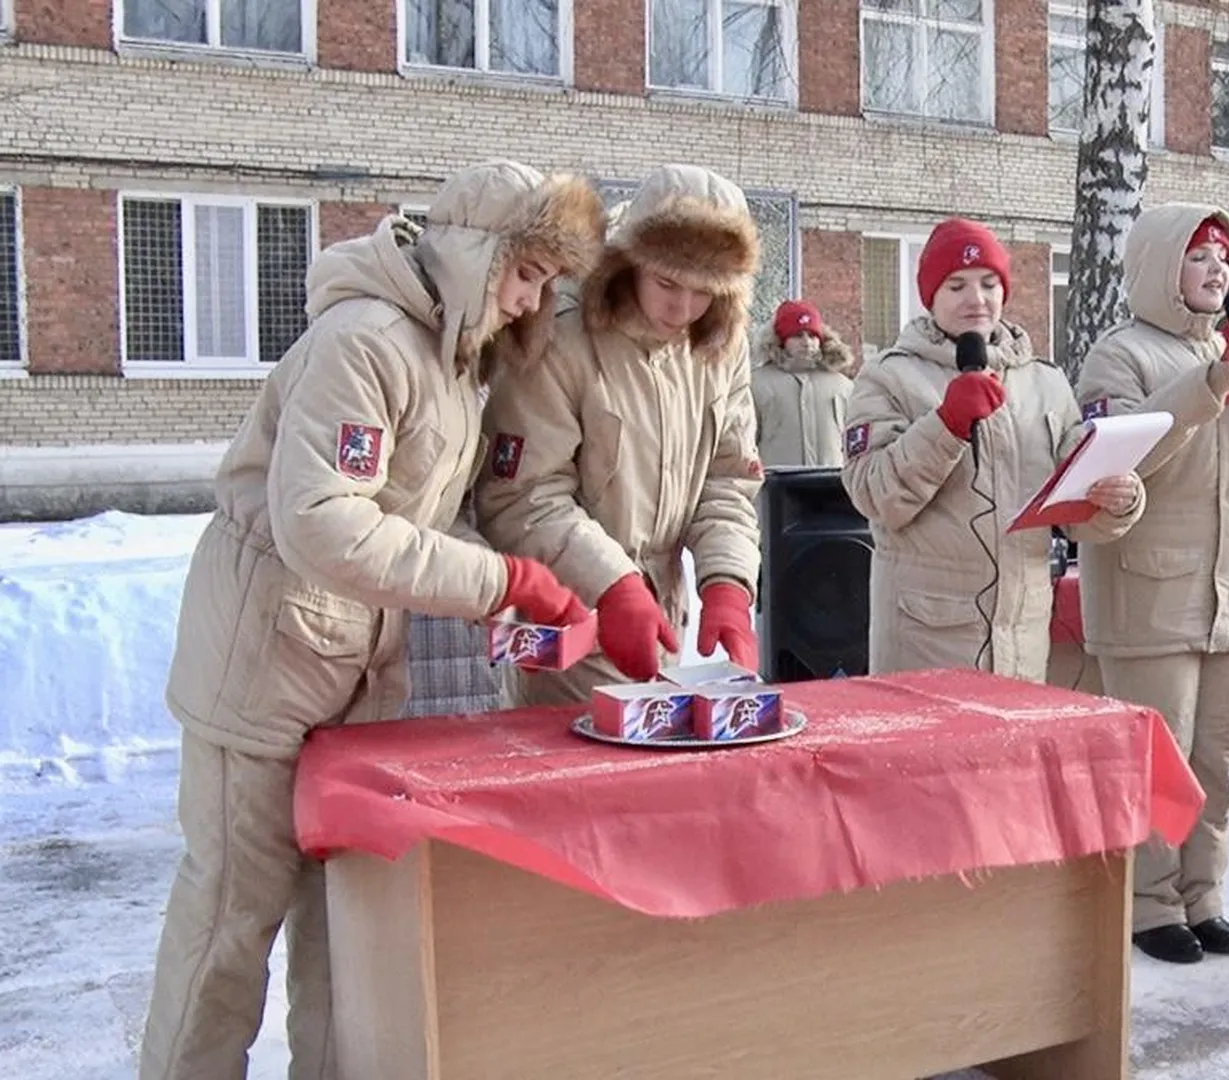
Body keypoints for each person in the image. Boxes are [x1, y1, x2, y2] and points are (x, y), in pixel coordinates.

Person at [141, 160, 604, 1080]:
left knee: (341, 919)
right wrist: (499, 579)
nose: (530, 303)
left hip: (355, 671)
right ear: (477, 255)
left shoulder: (449, 362)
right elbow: (322, 524)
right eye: (525, 275)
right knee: (231, 920)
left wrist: (522, 602)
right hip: (263, 664)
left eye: (549, 285)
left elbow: (426, 519)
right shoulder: (363, 341)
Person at [1075, 204, 1229, 965]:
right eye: (1199, 255)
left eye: (1224, 257)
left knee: (1215, 761)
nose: (1217, 269)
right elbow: (1114, 462)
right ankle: (1148, 904)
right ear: (1159, 267)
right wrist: (1212, 381)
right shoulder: (1119, 356)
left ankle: (1201, 894)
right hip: (1149, 596)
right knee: (1161, 760)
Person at [475, 164, 765, 696]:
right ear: (629, 264)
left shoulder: (720, 346)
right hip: (571, 617)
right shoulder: (560, 338)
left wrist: (727, 583)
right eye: (667, 282)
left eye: (705, 291)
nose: (682, 308)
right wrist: (613, 585)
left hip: (667, 617)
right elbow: (522, 496)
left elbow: (727, 478)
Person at [840, 217, 1144, 680]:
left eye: (988, 283)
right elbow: (874, 495)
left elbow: (1072, 505)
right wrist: (946, 425)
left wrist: (1118, 500)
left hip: (1023, 634)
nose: (976, 299)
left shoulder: (1045, 381)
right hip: (926, 635)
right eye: (956, 285)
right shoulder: (888, 377)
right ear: (931, 296)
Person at [751, 298, 858, 467]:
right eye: (797, 335)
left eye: (812, 335)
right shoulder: (757, 385)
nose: (807, 342)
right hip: (776, 488)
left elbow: (857, 445)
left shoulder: (843, 387)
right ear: (780, 340)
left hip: (831, 486)